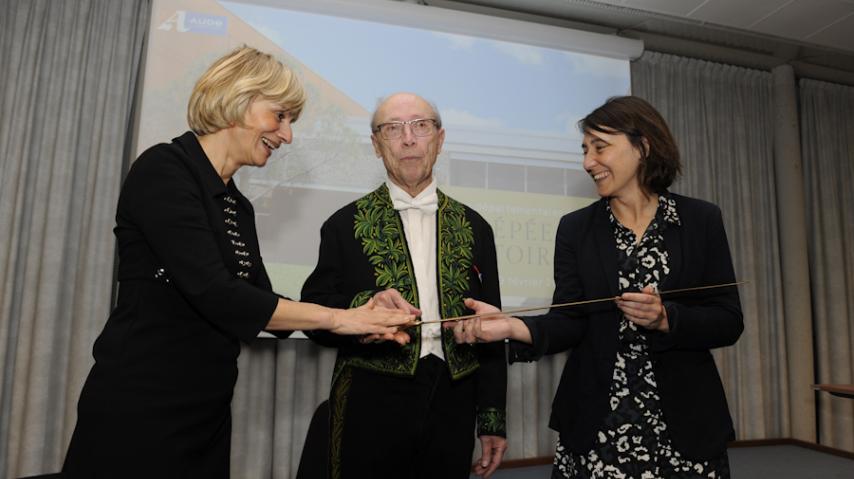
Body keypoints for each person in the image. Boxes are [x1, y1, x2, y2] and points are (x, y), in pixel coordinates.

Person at [61, 46, 413, 479]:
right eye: (280, 116)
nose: (287, 136)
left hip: (205, 414)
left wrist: (364, 313)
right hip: (140, 407)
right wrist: (340, 318)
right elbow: (216, 293)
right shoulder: (164, 169)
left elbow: (260, 302)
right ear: (239, 99)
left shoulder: (237, 205)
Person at [451, 96, 743, 478]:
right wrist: (510, 326)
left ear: (643, 146)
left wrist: (667, 318)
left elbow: (728, 319)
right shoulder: (575, 229)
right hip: (598, 426)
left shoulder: (701, 220)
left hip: (685, 426)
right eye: (585, 150)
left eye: (600, 147)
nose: (588, 162)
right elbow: (570, 320)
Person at [301, 92, 508, 479]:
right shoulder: (343, 225)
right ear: (377, 146)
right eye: (392, 129)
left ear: (440, 139)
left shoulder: (477, 226)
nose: (408, 139)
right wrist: (365, 308)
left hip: (454, 399)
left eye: (420, 126)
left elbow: (494, 326)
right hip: (369, 397)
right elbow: (314, 314)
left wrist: (492, 418)